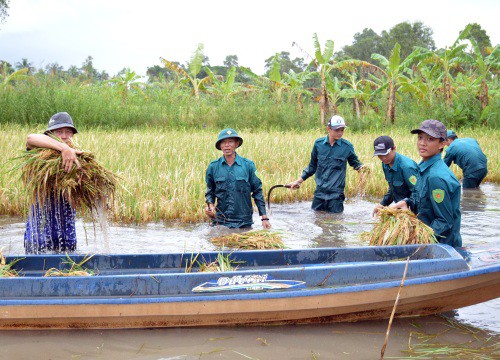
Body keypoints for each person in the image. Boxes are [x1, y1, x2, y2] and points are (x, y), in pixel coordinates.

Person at [391, 120, 462, 248]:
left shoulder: (436, 177)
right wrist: (407, 202)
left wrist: (417, 237)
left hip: (442, 248)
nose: (422, 143)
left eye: (430, 139)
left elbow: (444, 221)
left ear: (442, 144)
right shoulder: (423, 168)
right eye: (420, 138)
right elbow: (421, 198)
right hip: (429, 243)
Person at [24, 112, 83, 253]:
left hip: (67, 239)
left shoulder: (77, 162)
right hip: (39, 239)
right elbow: (30, 138)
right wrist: (64, 148)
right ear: (49, 135)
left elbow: (76, 204)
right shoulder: (38, 155)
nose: (64, 135)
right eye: (59, 131)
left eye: (68, 132)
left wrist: (76, 185)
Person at [287, 115, 363, 213]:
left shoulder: (347, 147)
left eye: (342, 130)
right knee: (317, 220)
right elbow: (312, 166)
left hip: (336, 196)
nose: (340, 133)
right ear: (328, 129)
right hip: (319, 194)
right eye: (337, 130)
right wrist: (298, 181)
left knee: (336, 224)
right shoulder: (318, 144)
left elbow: (356, 164)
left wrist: (363, 169)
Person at [205, 128, 271, 229]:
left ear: (236, 144)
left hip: (244, 221)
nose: (227, 145)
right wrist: (210, 206)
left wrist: (264, 217)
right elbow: (210, 191)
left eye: (230, 142)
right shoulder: (213, 167)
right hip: (221, 221)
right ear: (220, 146)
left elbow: (257, 191)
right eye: (223, 142)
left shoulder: (248, 165)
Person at [372, 135, 419, 216]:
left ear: (394, 148)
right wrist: (382, 204)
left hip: (414, 211)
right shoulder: (385, 165)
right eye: (380, 156)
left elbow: (419, 193)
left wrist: (407, 203)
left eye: (386, 154)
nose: (383, 158)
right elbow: (393, 189)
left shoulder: (407, 167)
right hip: (400, 211)